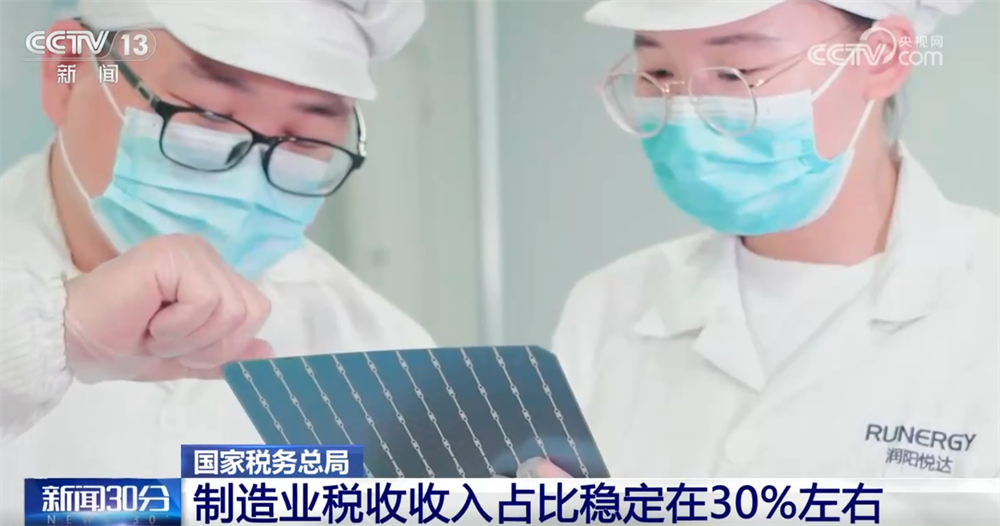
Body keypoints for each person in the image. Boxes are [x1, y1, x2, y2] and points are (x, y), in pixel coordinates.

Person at [519, 0, 999, 482]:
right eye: (659, 73)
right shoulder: (608, 309)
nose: (686, 113)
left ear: (882, 59)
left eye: (739, 72)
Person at [0, 0, 434, 507]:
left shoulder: (382, 357)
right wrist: (49, 337)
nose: (245, 181)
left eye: (304, 139)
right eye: (205, 115)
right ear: (70, 72)